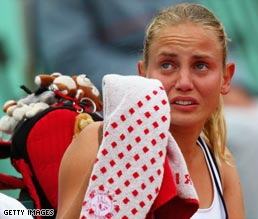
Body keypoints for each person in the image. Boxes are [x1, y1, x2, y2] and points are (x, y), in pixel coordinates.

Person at [56, 3, 245, 219]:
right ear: (143, 74)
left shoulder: (221, 163)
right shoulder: (96, 141)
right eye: (167, 65)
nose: (184, 83)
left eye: (200, 66)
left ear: (226, 78)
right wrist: (107, 164)